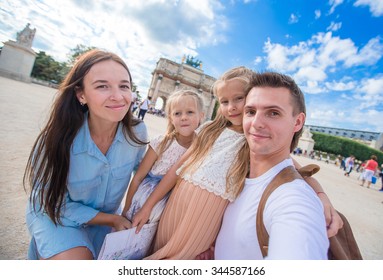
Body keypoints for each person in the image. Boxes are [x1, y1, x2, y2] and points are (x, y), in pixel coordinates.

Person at [132, 67, 341, 260]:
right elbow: (176, 171)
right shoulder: (209, 131)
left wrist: (321, 196)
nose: (231, 107)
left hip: (204, 220)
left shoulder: (253, 141)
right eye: (224, 102)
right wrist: (148, 207)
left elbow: (292, 168)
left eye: (239, 99)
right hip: (176, 206)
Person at [23, 49, 148, 260]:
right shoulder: (58, 137)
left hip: (107, 221)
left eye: (124, 86)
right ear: (81, 94)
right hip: (56, 215)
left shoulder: (137, 131)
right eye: (102, 86)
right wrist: (112, 219)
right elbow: (49, 201)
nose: (118, 96)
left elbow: (145, 174)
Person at [214, 71, 329, 259]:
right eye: (250, 112)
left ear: (298, 122)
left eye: (273, 113)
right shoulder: (237, 173)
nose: (256, 123)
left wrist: (320, 195)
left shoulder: (294, 200)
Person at [122, 89, 204, 226]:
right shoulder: (162, 142)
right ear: (171, 118)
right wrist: (126, 209)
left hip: (172, 208)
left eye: (190, 112)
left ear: (201, 116)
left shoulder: (202, 150)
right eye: (177, 113)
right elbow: (138, 177)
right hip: (142, 201)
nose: (183, 117)